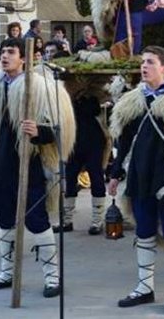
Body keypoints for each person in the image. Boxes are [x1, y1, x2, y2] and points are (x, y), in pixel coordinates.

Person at [0, 38, 75, 298]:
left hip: (29, 163)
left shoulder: (41, 87)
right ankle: (7, 273)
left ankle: (52, 278)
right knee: (5, 219)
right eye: (3, 51)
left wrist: (39, 131)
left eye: (11, 52)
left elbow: (59, 129)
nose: (5, 56)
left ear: (24, 57)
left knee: (36, 219)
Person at [108, 45, 164, 314]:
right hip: (139, 175)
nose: (144, 67)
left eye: (150, 62)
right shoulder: (132, 100)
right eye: (142, 62)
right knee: (144, 231)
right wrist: (115, 173)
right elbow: (123, 141)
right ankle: (144, 288)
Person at [55, 81, 110, 236]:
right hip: (74, 143)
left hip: (93, 142)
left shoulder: (92, 98)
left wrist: (83, 95)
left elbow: (93, 110)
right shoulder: (67, 99)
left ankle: (97, 221)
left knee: (96, 179)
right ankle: (66, 220)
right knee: (70, 179)